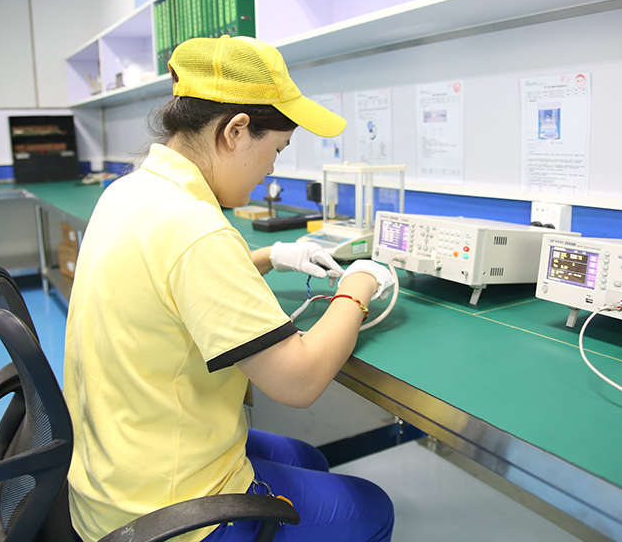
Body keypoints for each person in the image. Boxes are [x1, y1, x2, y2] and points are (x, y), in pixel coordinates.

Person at [63, 35, 396, 542]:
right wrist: (359, 285)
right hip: (164, 513)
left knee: (307, 458)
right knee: (373, 508)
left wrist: (270, 256)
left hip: (113, 473)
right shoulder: (196, 229)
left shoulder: (128, 191)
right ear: (236, 131)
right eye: (275, 150)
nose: (271, 170)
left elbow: (169, 284)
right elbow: (300, 381)